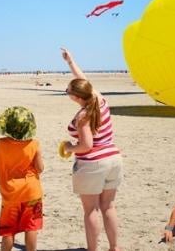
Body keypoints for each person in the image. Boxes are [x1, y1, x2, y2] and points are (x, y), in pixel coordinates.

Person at [59, 48, 122, 251]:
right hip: (114, 159)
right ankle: (114, 247)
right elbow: (82, 78)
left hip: (93, 164)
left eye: (68, 92)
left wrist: (69, 147)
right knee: (109, 206)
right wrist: (70, 62)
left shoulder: (83, 116)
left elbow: (87, 145)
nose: (67, 94)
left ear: (77, 97)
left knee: (90, 211)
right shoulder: (98, 99)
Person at [0, 106, 44, 251]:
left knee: (8, 231)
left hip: (10, 193)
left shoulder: (1, 144)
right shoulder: (34, 144)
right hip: (31, 191)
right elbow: (40, 168)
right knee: (31, 227)